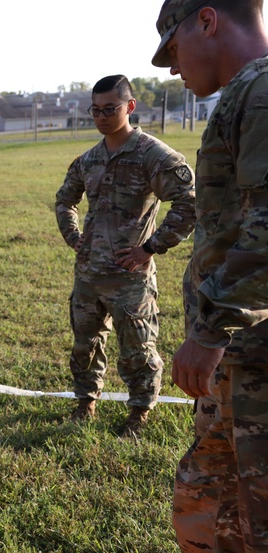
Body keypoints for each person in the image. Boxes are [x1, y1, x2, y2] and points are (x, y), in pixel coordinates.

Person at [119, 0, 268, 553]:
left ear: (207, 20)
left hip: (252, 345)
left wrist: (212, 331)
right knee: (208, 479)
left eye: (171, 45)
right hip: (239, 353)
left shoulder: (262, 92)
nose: (171, 65)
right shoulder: (245, 94)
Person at [55, 75, 196, 437]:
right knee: (85, 345)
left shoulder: (153, 155)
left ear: (130, 107)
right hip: (88, 275)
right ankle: (86, 401)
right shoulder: (88, 160)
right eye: (95, 111)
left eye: (110, 109)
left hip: (130, 276)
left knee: (137, 349)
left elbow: (189, 201)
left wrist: (150, 247)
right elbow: (65, 200)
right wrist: (75, 238)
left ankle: (139, 412)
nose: (101, 117)